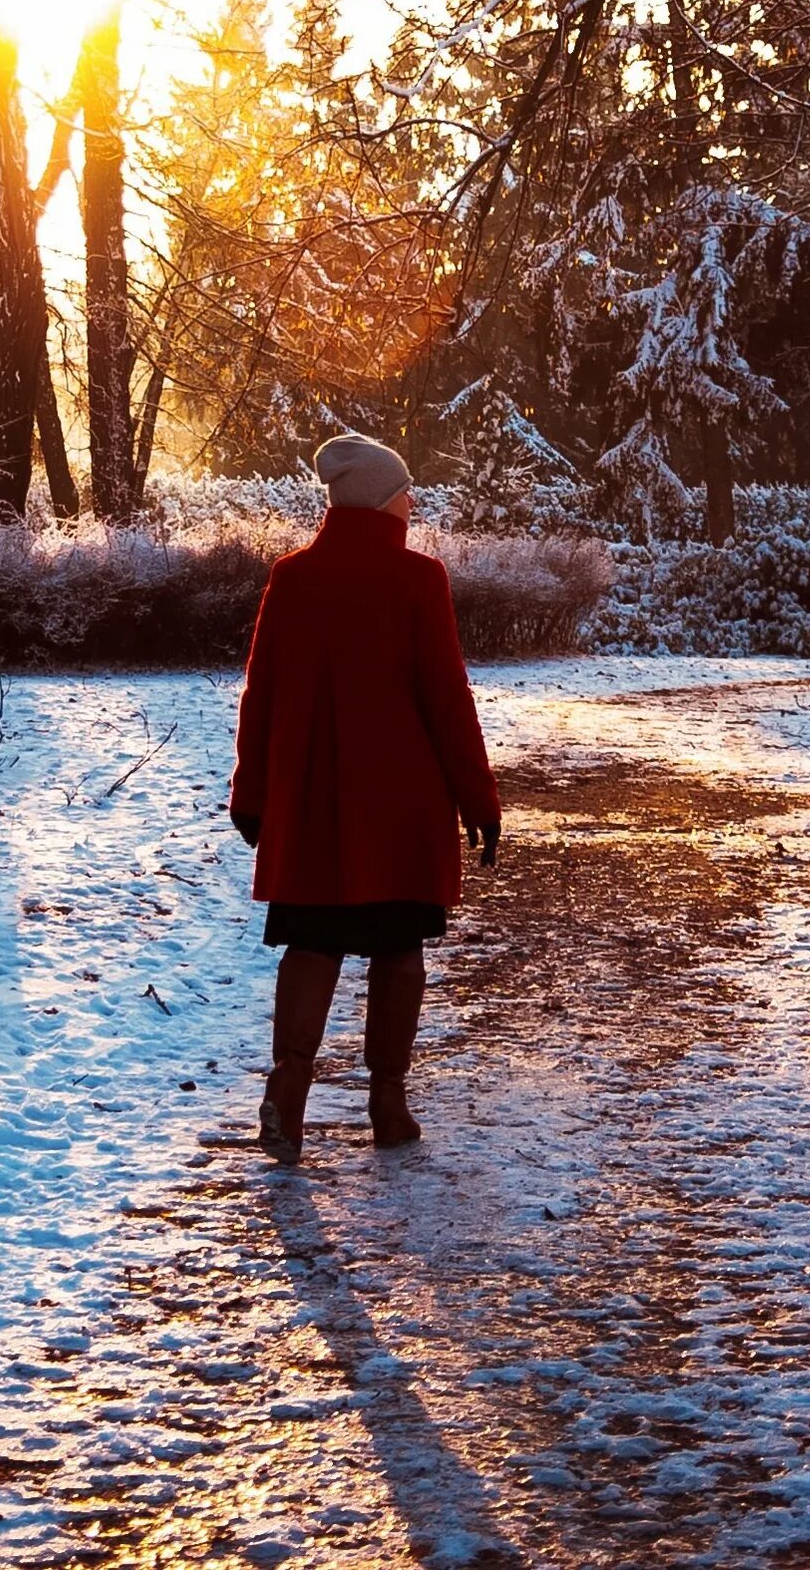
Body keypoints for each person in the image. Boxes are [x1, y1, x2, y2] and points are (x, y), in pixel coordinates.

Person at [228, 433, 501, 1161]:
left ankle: (288, 1090)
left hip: (311, 803)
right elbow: (448, 699)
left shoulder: (292, 577)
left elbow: (263, 696)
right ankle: (388, 1102)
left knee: (312, 944)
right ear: (383, 499)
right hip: (400, 807)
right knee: (398, 949)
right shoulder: (419, 579)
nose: (414, 501)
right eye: (406, 489)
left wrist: (250, 794)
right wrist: (479, 800)